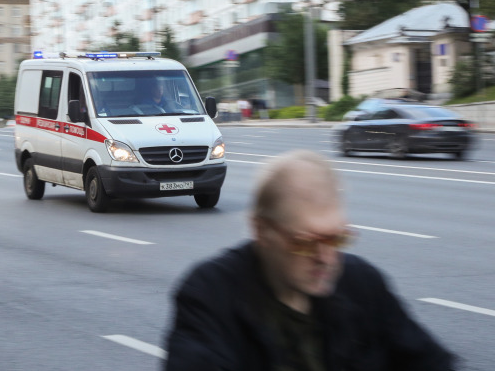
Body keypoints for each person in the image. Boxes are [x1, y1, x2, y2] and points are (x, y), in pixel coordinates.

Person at [163, 150, 456, 371]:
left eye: (336, 239)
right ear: (262, 231)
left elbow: (430, 361)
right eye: (304, 243)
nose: (326, 259)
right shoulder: (210, 295)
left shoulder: (364, 284)